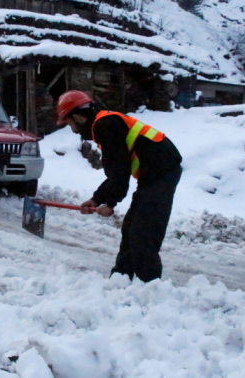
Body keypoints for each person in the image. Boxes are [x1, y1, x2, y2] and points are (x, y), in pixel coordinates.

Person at [55, 90, 182, 282]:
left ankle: (149, 287)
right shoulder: (106, 123)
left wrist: (110, 203)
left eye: (69, 123)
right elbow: (117, 172)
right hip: (152, 175)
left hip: (161, 173)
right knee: (131, 228)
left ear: (79, 117)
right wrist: (97, 199)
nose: (72, 130)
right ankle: (120, 280)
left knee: (143, 232)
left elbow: (119, 173)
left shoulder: (105, 126)